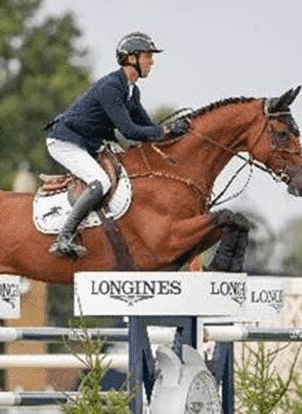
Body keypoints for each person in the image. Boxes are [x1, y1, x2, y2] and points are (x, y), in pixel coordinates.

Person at [43, 32, 191, 258]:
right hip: (65, 141)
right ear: (131, 58)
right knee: (100, 181)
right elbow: (130, 131)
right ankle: (64, 237)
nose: (152, 62)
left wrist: (173, 132)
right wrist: (165, 130)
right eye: (147, 56)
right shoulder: (112, 87)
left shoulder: (132, 91)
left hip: (87, 142)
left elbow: (147, 127)